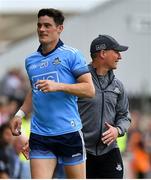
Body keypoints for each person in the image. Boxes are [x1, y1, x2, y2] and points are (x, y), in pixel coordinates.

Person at [9, 8, 95, 179]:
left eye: (47, 25)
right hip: (40, 135)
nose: (42, 29)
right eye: (39, 25)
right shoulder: (30, 61)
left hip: (69, 132)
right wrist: (20, 113)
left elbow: (89, 90)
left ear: (60, 28)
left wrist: (58, 86)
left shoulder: (72, 55)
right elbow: (34, 91)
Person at [78, 34, 131, 179]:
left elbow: (125, 116)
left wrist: (117, 130)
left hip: (110, 152)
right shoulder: (80, 80)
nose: (120, 56)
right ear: (102, 53)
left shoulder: (118, 85)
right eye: (116, 52)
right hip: (81, 152)